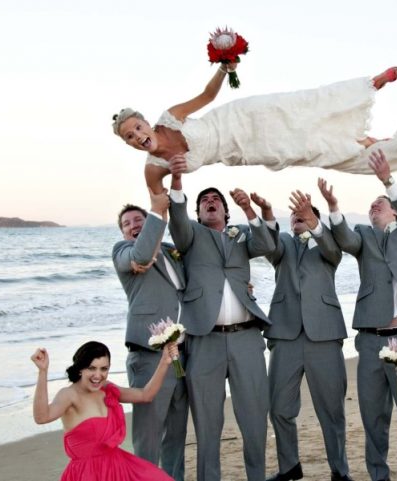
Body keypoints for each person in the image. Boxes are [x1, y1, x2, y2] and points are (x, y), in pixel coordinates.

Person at [112, 65, 397, 194]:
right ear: (128, 143)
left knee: (300, 106)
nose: (138, 136)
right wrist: (178, 179)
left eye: (137, 127)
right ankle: (373, 143)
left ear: (144, 120)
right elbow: (162, 210)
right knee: (305, 148)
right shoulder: (154, 171)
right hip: (241, 150)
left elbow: (208, 96)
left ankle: (371, 84)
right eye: (131, 136)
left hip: (239, 116)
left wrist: (224, 69)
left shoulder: (169, 117)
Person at [322, 149, 397, 481]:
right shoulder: (363, 234)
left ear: (395, 212)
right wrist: (333, 208)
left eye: (381, 203)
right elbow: (344, 239)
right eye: (371, 203)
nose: (374, 205)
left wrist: (387, 181)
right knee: (373, 416)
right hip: (371, 343)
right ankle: (379, 477)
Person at [166, 154, 278, 481]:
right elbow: (175, 218)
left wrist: (249, 209)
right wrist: (176, 182)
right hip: (204, 340)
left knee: (255, 416)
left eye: (216, 200)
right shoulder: (189, 237)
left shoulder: (240, 234)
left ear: (225, 211)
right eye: (205, 202)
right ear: (198, 213)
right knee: (207, 422)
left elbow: (268, 243)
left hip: (246, 338)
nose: (211, 203)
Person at [263, 191, 352, 481]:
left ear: (314, 219)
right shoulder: (282, 243)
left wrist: (315, 224)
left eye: (305, 215)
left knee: (332, 409)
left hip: (323, 336)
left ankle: (339, 471)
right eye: (294, 216)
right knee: (279, 407)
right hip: (285, 334)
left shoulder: (327, 243)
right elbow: (269, 246)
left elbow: (332, 250)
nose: (298, 218)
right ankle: (289, 466)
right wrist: (266, 214)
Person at [111, 190, 189, 480]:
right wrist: (158, 214)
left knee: (176, 434)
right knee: (148, 437)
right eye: (127, 223)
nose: (133, 226)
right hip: (149, 357)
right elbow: (142, 253)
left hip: (183, 355)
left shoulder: (171, 251)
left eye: (139, 220)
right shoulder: (124, 252)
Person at [31, 341, 178, 481]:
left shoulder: (106, 388)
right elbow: (42, 417)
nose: (98, 375)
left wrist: (164, 361)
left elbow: (146, 395)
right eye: (91, 368)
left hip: (118, 467)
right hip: (87, 474)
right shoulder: (69, 395)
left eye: (104, 369)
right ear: (80, 368)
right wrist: (43, 371)